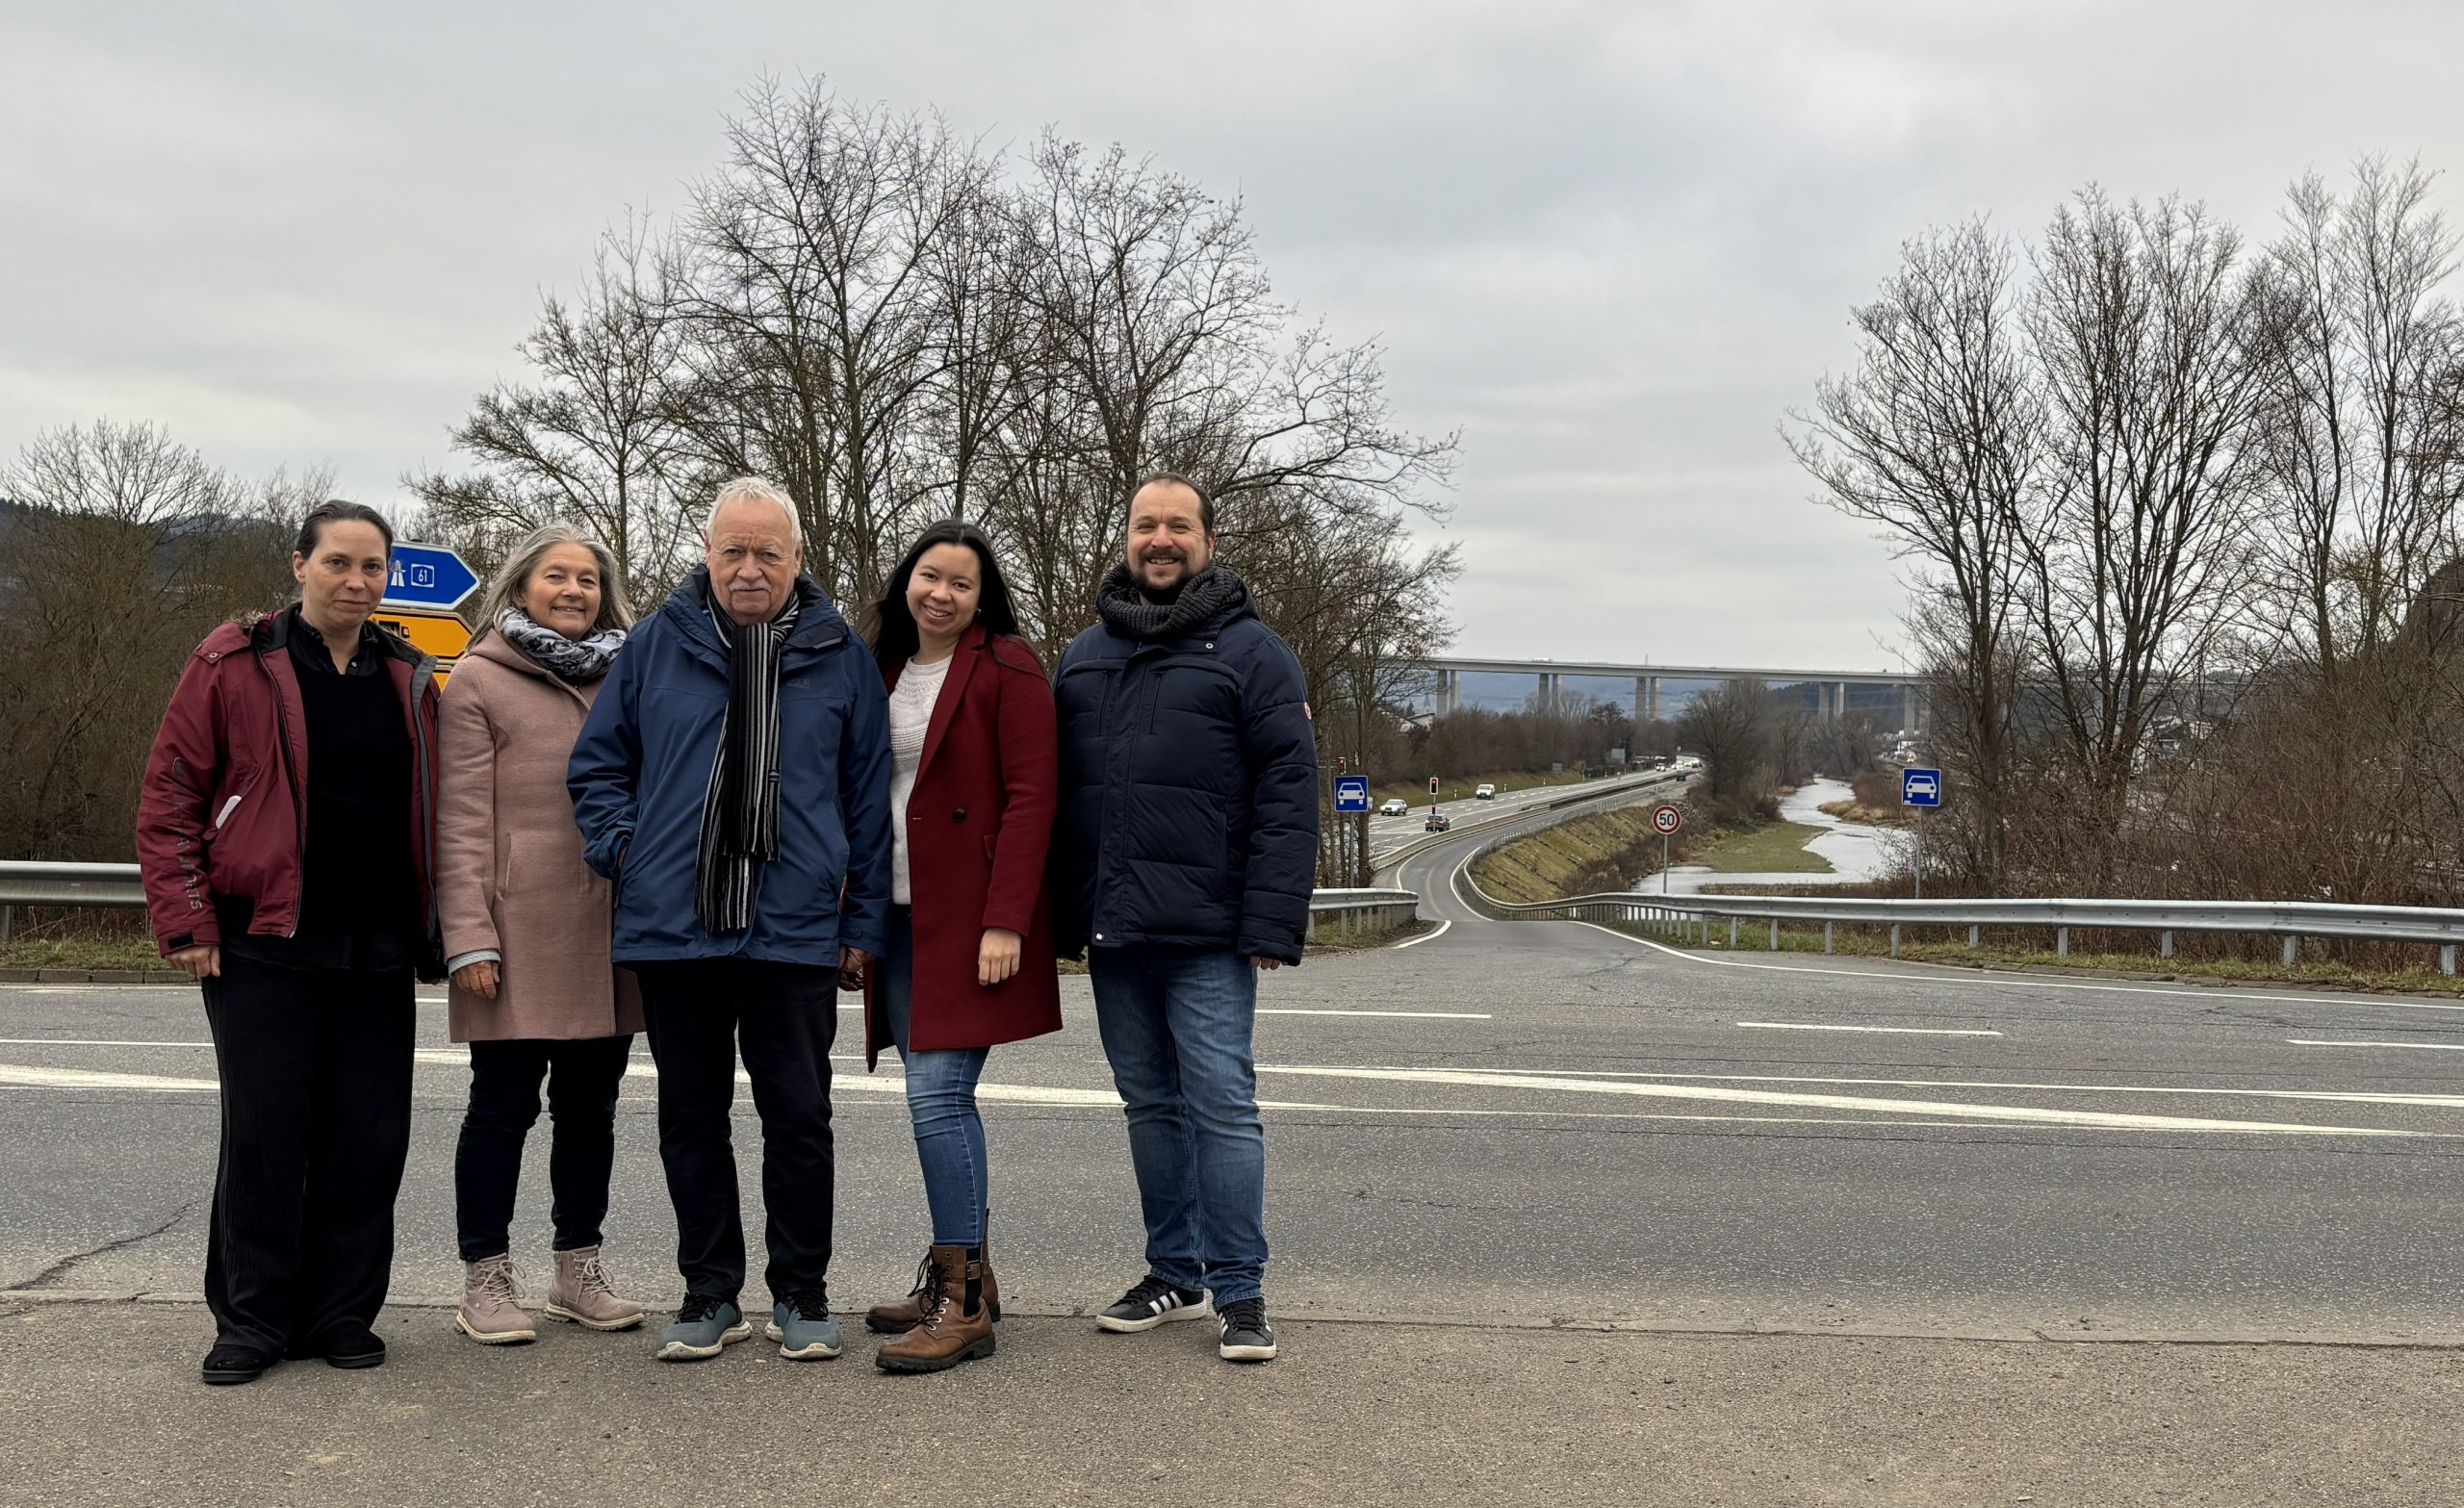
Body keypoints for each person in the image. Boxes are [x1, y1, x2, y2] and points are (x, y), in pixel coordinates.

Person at [568, 476, 892, 1365]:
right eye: (732, 552)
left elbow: (867, 805)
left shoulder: (837, 655)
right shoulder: (653, 646)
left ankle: (802, 1294)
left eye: (767, 553)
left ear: (796, 559)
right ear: (707, 554)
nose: (749, 569)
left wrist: (862, 923)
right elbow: (598, 768)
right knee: (690, 1117)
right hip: (676, 926)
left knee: (799, 1117)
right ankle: (710, 1292)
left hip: (793, 929)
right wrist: (626, 851)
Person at [135, 500, 443, 1387]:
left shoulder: (409, 677)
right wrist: (188, 919)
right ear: (300, 564)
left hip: (375, 948)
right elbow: (170, 798)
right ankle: (253, 1319)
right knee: (267, 1135)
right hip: (262, 942)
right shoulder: (233, 662)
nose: (356, 581)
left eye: (372, 566)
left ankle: (340, 1313)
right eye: (339, 562)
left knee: (368, 1138)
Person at [1049, 472, 1319, 1365]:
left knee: (1222, 1105)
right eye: (1144, 525)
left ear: (1205, 540)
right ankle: (1174, 1268)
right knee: (1149, 1105)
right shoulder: (1086, 655)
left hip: (1207, 932)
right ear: (1125, 536)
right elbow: (1057, 798)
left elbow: (1288, 795)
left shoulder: (1252, 652)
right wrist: (1058, 914)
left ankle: (1241, 1290)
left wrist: (1271, 923)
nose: (1159, 539)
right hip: (1116, 931)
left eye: (1177, 526)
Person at [853, 520, 1062, 1374]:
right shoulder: (884, 668)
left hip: (972, 919)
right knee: (934, 1099)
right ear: (908, 580)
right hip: (901, 917)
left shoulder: (1008, 665)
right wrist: (857, 923)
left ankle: (963, 1300)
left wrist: (1006, 918)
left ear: (983, 596)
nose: (941, 592)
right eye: (929, 575)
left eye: (961, 582)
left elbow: (1032, 795)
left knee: (938, 1100)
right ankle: (965, 1270)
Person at [437, 524, 648, 1344]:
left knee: (591, 1110)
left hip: (612, 927)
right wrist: (469, 938)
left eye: (588, 580)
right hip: (515, 931)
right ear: (520, 588)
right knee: (500, 1109)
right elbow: (458, 823)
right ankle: (484, 1277)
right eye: (556, 577)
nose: (573, 590)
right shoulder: (478, 682)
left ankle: (576, 1268)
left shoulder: (628, 675)